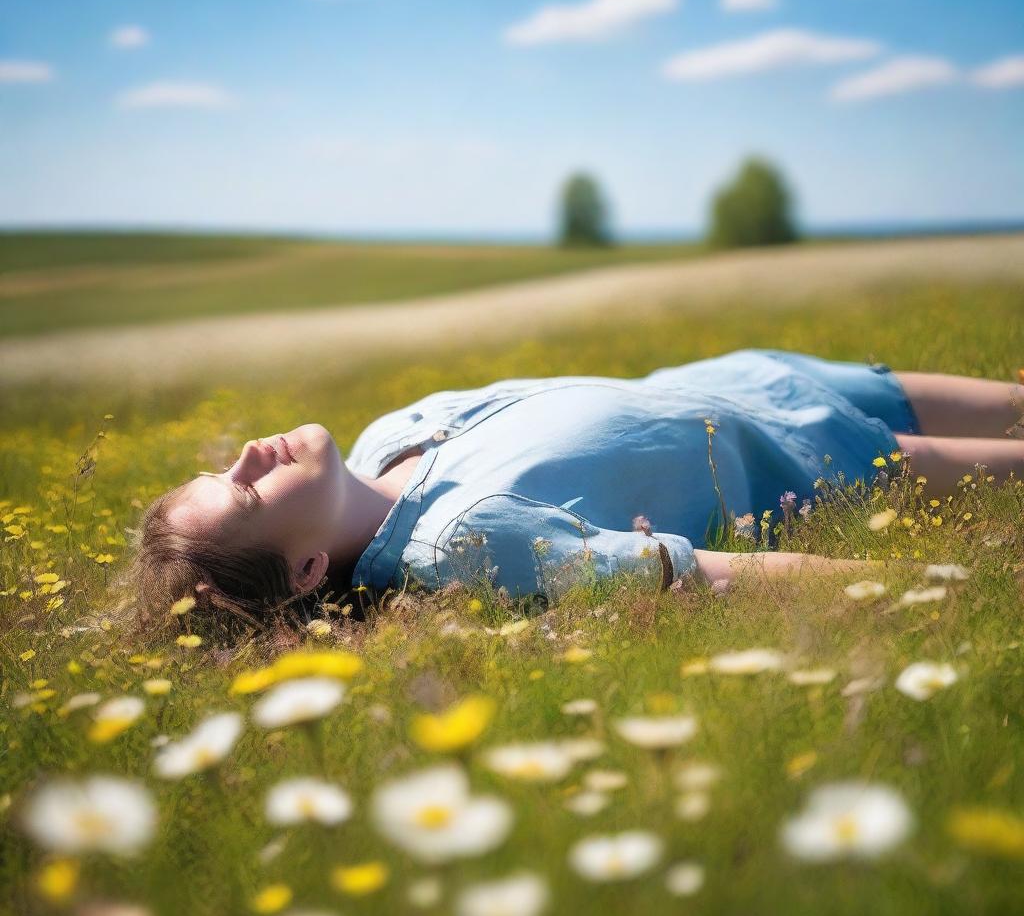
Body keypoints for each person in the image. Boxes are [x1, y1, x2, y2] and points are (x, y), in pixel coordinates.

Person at [125, 348, 1023, 628]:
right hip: (807, 454)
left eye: (221, 469)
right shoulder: (465, 548)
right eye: (242, 493)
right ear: (311, 569)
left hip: (747, 374)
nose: (245, 453)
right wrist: (953, 590)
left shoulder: (383, 438)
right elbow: (699, 577)